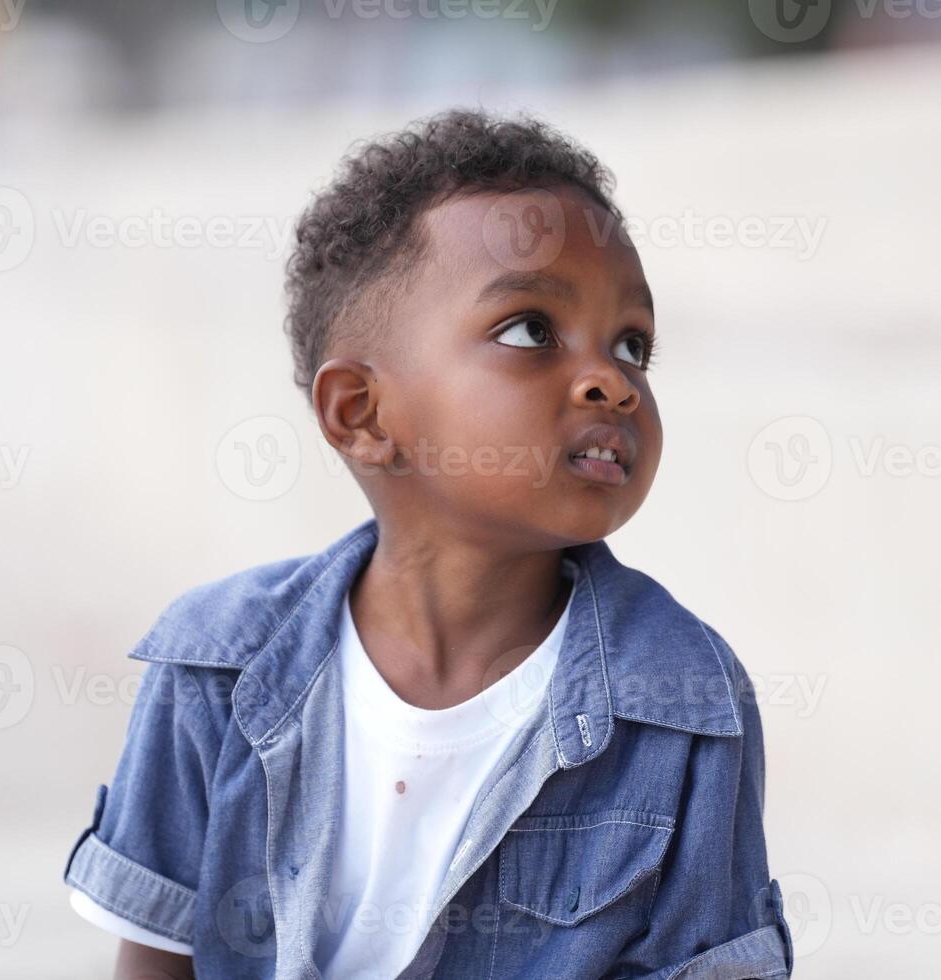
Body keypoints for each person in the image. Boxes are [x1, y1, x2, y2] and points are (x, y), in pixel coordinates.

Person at [62, 108, 793, 979]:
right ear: (362, 414)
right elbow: (157, 958)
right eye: (531, 331)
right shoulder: (213, 664)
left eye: (633, 345)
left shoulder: (685, 703)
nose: (613, 381)